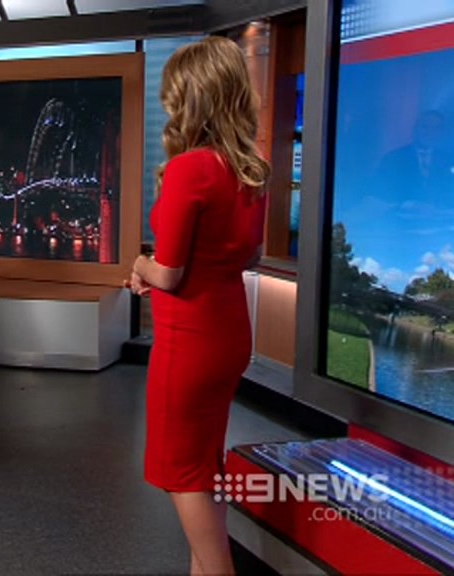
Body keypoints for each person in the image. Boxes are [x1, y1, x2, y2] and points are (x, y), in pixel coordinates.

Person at [127, 36, 269, 576]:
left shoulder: (191, 168)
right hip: (229, 334)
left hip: (188, 343)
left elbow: (168, 272)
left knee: (182, 473)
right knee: (205, 465)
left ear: (193, 97)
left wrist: (139, 266)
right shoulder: (251, 168)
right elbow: (249, 255)